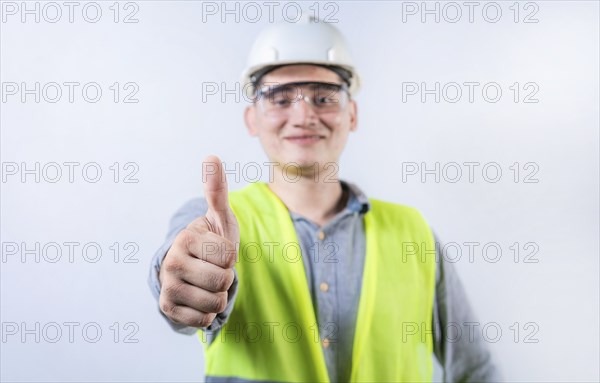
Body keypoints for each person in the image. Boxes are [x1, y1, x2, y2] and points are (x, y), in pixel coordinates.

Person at [148, 18, 502, 382]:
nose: (303, 116)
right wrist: (184, 281)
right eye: (280, 98)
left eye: (323, 97)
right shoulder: (212, 223)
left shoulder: (414, 233)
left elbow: (475, 371)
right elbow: (177, 273)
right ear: (252, 119)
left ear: (352, 114)